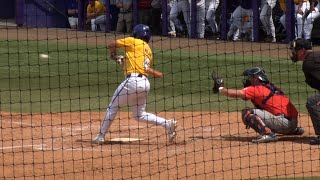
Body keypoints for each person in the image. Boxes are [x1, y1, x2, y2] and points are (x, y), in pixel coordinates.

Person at [93, 24, 178, 144]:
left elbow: (111, 44)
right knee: (139, 115)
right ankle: (168, 124)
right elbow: (139, 66)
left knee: (113, 107)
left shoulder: (132, 41)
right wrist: (120, 59)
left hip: (132, 82)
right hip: (145, 84)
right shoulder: (148, 50)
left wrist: (112, 53)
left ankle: (101, 136)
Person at [212, 67, 304, 143]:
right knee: (261, 109)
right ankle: (292, 130)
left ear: (256, 78)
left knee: (247, 112)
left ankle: (267, 134)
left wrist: (221, 88)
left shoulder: (256, 89)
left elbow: (236, 94)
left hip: (283, 123)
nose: (247, 80)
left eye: (249, 77)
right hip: (292, 123)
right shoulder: (271, 87)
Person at [288, 38, 320, 145]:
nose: (293, 53)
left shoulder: (309, 63)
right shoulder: (316, 56)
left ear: (302, 50)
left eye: (295, 50)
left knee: (312, 102)